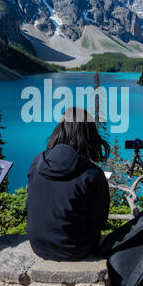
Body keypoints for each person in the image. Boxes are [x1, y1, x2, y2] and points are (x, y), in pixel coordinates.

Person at [26, 107, 110, 261]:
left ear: (60, 129)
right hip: (75, 249)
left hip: (37, 245)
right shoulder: (92, 173)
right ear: (89, 135)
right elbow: (99, 222)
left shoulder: (38, 160)